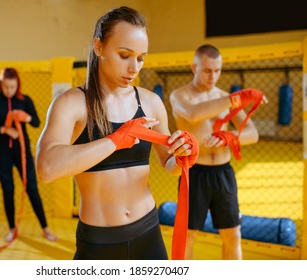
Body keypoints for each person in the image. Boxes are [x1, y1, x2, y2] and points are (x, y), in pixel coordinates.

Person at [36, 6, 195, 260]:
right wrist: (115, 140)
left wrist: (183, 154)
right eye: (124, 55)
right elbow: (46, 168)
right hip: (99, 243)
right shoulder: (73, 103)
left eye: (141, 58)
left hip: (148, 233)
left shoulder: (151, 102)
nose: (134, 67)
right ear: (99, 47)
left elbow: (169, 164)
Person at [169, 44, 267, 260]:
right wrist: (235, 99)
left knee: (233, 235)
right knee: (187, 236)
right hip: (194, 173)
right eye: (206, 70)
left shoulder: (226, 97)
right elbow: (193, 114)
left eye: (217, 70)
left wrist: (230, 137)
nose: (212, 76)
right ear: (194, 67)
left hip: (223, 173)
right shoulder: (180, 95)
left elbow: (253, 134)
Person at [0, 67, 57, 243]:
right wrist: (4, 129)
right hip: (1, 150)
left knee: (32, 189)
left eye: (12, 87)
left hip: (21, 150)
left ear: (17, 85)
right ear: (1, 85)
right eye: (6, 87)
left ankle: (45, 228)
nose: (9, 91)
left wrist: (26, 117)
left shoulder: (25, 100)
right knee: (8, 189)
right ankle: (12, 229)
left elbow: (37, 122)